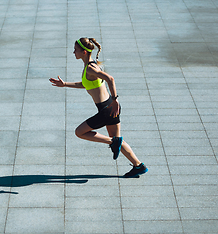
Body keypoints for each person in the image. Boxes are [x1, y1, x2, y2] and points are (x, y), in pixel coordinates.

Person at [49, 37, 148, 178]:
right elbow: (85, 84)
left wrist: (115, 100)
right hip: (109, 107)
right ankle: (139, 166)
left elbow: (110, 78)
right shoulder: (91, 66)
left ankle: (113, 142)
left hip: (107, 109)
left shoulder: (90, 68)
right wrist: (65, 84)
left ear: (84, 52)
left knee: (79, 132)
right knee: (118, 140)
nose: (73, 52)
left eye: (75, 50)